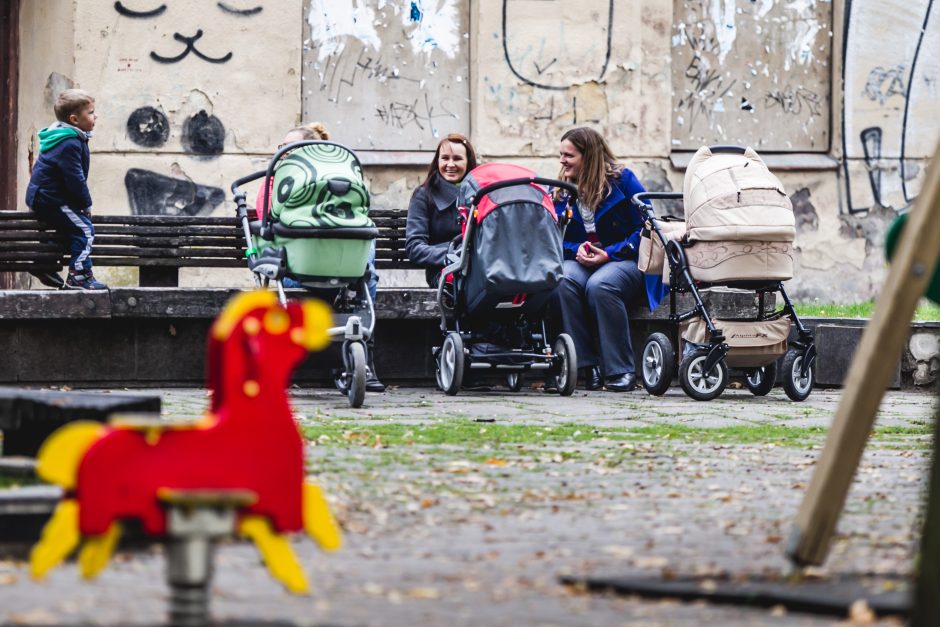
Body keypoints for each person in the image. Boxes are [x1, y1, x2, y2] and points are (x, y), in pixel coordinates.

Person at [256, 122, 385, 392]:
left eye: (291, 148)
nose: (284, 154)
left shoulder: (341, 185)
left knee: (365, 245)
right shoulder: (274, 185)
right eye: (283, 148)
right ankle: (363, 358)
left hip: (339, 271)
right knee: (365, 262)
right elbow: (267, 230)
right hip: (294, 271)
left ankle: (363, 356)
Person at [552, 127, 649, 392]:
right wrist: (578, 250)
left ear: (589, 155)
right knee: (563, 280)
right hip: (581, 260)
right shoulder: (562, 189)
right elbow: (553, 235)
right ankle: (584, 366)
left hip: (625, 259)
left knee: (601, 285)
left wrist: (610, 253)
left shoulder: (623, 181)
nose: (562, 161)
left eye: (568, 155)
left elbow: (648, 227)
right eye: (561, 155)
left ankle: (620, 369)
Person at [25, 88, 106, 290]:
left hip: (46, 196)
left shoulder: (65, 135)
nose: (95, 116)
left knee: (69, 228)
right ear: (74, 119)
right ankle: (79, 276)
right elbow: (75, 180)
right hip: (50, 199)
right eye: (90, 112)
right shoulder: (69, 142)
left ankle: (44, 264)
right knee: (85, 229)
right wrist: (85, 204)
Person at [405, 133, 478, 287]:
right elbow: (414, 247)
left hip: (479, 269)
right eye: (445, 158)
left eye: (457, 159)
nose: (450, 164)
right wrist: (452, 254)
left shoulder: (480, 193)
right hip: (443, 271)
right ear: (437, 161)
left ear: (468, 162)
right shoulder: (424, 195)